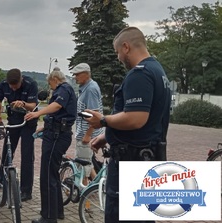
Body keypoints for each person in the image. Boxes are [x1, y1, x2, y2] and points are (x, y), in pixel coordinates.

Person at [85, 27, 171, 223]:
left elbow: (136, 118)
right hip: (145, 160)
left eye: (117, 52)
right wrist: (107, 136)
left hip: (129, 162)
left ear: (126, 47)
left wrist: (103, 120)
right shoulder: (158, 71)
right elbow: (148, 120)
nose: (117, 58)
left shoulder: (139, 74)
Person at [25, 67, 77, 223]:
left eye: (50, 84)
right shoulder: (66, 89)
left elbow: (57, 106)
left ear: (54, 80)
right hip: (56, 133)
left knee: (47, 175)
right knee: (52, 174)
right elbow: (59, 115)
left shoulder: (63, 89)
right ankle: (57, 211)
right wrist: (46, 126)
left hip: (57, 136)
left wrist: (37, 113)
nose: (50, 87)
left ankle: (48, 216)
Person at [0, 68, 38, 202]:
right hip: (13, 119)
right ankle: (1, 178)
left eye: (16, 86)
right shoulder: (3, 84)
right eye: (10, 86)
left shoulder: (31, 84)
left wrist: (24, 104)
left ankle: (26, 190)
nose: (13, 89)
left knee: (26, 155)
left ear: (21, 80)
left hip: (28, 120)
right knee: (8, 149)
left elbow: (33, 105)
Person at [71, 62, 104, 185]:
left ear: (86, 74)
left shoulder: (90, 89)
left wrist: (88, 135)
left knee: (83, 164)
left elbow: (94, 115)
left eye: (77, 75)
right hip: (85, 131)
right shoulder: (87, 87)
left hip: (87, 133)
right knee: (87, 162)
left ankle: (84, 190)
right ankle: (96, 186)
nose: (75, 77)